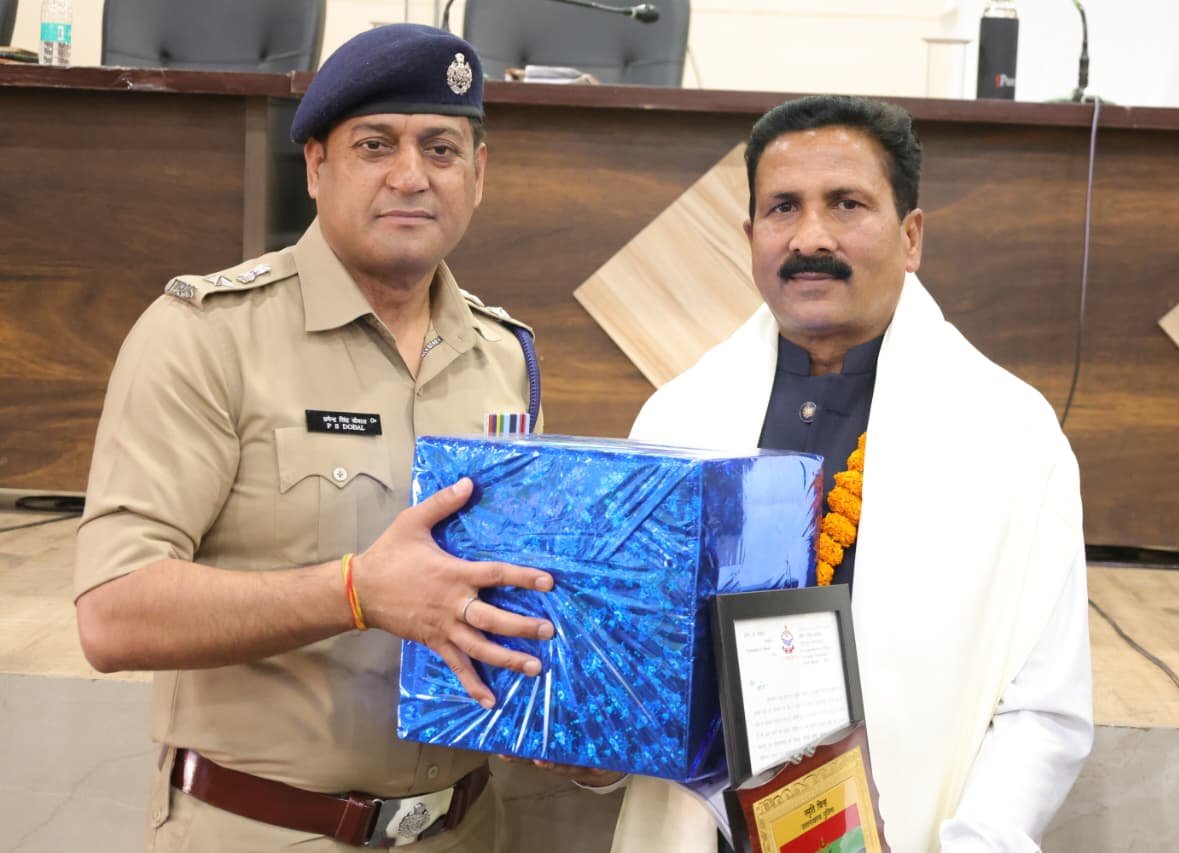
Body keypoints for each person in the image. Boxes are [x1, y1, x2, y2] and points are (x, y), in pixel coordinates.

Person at [73, 25, 554, 852]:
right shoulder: (207, 337)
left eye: (441, 148)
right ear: (317, 166)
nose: (411, 176)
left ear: (478, 175)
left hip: (468, 827)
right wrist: (355, 593)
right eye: (376, 144)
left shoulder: (506, 357)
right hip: (267, 829)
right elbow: (112, 615)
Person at [612, 95, 1093, 852]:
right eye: (782, 207)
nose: (810, 237)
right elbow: (630, 671)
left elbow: (1045, 709)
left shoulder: (1010, 435)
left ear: (911, 236)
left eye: (846, 204)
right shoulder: (677, 423)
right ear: (749, 237)